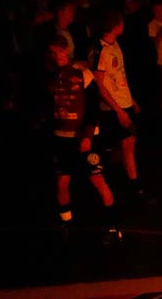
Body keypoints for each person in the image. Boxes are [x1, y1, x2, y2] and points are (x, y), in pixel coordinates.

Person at [47, 38, 118, 235]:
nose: (57, 56)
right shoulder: (51, 76)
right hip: (61, 137)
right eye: (53, 52)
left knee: (97, 180)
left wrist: (87, 136)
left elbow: (94, 107)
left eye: (60, 51)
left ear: (66, 51)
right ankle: (66, 224)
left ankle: (113, 226)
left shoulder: (83, 73)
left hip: (83, 138)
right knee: (62, 182)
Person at [91, 13, 145, 199]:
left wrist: (131, 100)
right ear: (114, 25)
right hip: (113, 107)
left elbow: (120, 74)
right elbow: (99, 84)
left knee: (129, 143)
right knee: (123, 144)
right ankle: (129, 184)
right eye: (120, 22)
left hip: (124, 101)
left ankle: (131, 182)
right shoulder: (101, 49)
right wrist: (118, 110)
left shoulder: (116, 45)